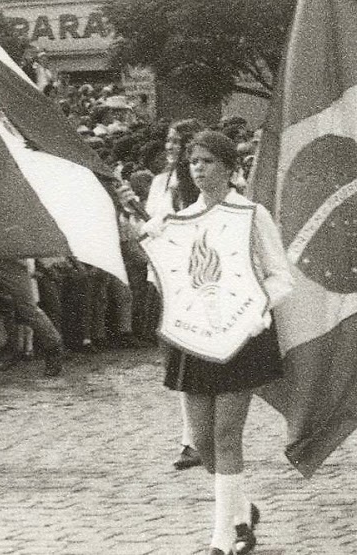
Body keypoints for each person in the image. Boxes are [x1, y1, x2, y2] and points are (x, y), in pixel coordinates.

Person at [152, 131, 290, 555]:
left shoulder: (252, 214)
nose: (199, 168)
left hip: (241, 336)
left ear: (230, 169)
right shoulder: (179, 220)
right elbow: (169, 284)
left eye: (209, 161)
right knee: (204, 440)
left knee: (227, 434)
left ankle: (222, 537)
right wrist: (155, 249)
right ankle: (242, 510)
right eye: (194, 161)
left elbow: (280, 276)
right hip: (196, 339)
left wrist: (255, 312)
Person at [142, 118, 207, 471]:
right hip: (163, 283)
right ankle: (191, 438)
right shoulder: (158, 183)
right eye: (167, 140)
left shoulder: (204, 186)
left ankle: (200, 437)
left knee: (200, 360)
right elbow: (150, 229)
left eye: (175, 141)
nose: (168, 146)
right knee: (177, 363)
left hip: (195, 283)